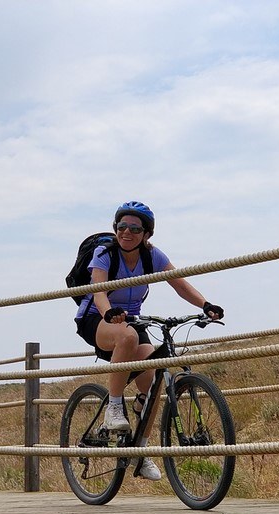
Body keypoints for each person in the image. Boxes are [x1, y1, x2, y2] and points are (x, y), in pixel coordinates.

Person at [74, 201, 224, 481]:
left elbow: (179, 283)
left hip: (130, 321)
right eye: (121, 226)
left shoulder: (152, 256)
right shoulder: (104, 253)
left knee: (154, 379)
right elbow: (99, 291)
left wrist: (205, 305)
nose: (126, 232)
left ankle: (140, 453)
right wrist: (109, 313)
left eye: (134, 228)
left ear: (146, 234)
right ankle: (114, 408)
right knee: (128, 336)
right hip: (98, 318)